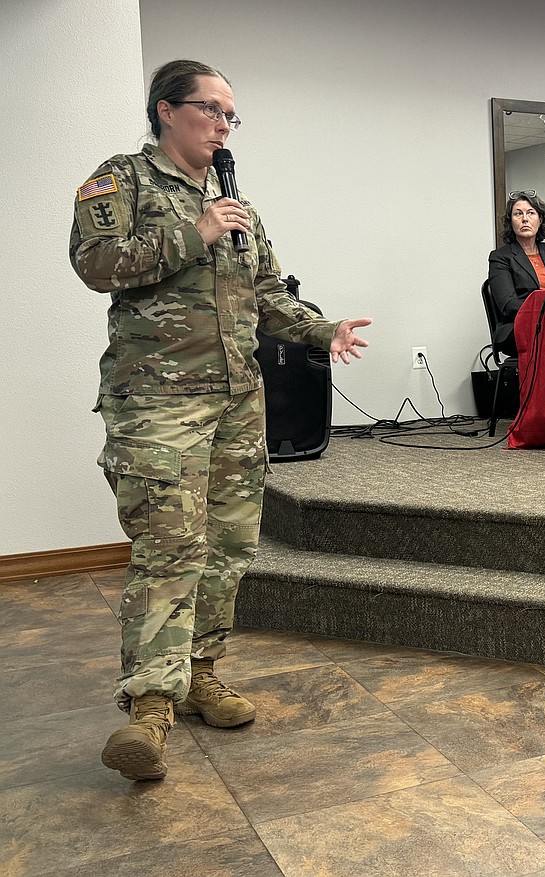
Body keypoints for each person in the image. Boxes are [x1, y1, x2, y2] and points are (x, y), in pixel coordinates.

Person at [69, 59, 372, 782]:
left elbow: (266, 293)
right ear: (167, 109)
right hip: (158, 404)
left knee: (230, 545)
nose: (224, 125)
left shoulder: (238, 204)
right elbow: (96, 263)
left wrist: (320, 329)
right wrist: (194, 232)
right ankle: (148, 709)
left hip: (238, 402)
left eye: (232, 116)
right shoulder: (120, 181)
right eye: (211, 110)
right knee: (169, 549)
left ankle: (200, 672)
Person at [487, 190, 545, 355]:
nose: (525, 219)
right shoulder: (501, 257)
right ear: (511, 222)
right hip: (519, 326)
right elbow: (508, 305)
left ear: (540, 220)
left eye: (531, 213)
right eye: (518, 214)